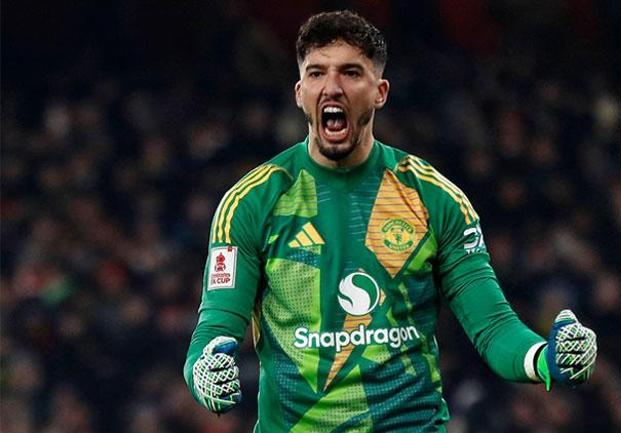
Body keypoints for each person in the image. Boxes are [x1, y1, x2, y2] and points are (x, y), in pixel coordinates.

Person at [184, 10, 597, 432]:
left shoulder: (434, 199)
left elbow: (493, 328)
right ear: (299, 92)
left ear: (380, 92)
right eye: (316, 73)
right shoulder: (251, 203)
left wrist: (547, 359)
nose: (332, 87)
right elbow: (216, 328)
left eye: (350, 73)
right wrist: (205, 372)